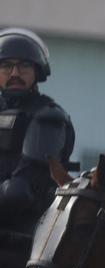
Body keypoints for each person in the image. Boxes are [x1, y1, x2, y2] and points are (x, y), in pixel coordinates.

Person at [0, 28, 73, 233]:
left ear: (37, 72)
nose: (15, 73)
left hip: (23, 238)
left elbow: (19, 192)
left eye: (23, 66)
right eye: (6, 66)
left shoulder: (48, 117)